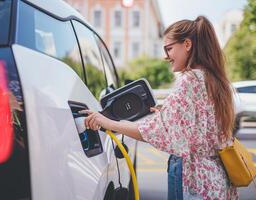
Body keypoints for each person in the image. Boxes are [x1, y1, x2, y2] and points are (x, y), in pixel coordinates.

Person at [80, 15, 238, 200]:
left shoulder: (190, 79)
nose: (166, 56)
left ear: (187, 44)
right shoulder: (214, 79)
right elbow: (200, 126)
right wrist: (169, 116)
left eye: (169, 48)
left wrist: (107, 122)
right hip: (216, 179)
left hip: (194, 179)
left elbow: (157, 132)